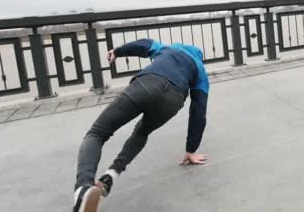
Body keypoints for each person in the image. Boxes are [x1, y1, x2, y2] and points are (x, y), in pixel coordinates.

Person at [72, 38, 210, 212]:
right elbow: (199, 112)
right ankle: (111, 174)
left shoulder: (168, 48)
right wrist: (191, 149)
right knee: (142, 132)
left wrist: (117, 52)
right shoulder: (201, 72)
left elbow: (143, 44)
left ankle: (83, 188)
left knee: (97, 134)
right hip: (173, 100)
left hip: (147, 84)